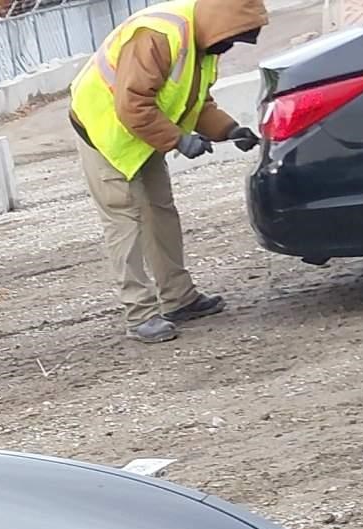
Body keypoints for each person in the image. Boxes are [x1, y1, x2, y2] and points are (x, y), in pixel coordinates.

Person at [68, 0, 268, 343]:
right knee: (124, 221)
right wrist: (178, 140)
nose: (230, 46)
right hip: (104, 133)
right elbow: (132, 104)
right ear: (219, 22)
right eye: (232, 38)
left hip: (142, 135)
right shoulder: (159, 35)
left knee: (159, 212)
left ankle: (178, 298)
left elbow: (194, 101)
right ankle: (139, 314)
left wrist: (228, 130)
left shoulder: (202, 41)